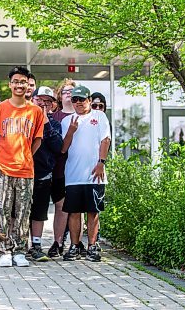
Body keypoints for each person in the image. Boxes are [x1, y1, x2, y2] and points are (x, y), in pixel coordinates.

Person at [0, 66, 45, 267]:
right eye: (15, 81)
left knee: (23, 212)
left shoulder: (35, 111)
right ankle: (4, 250)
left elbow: (37, 139)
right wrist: (1, 159)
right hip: (3, 168)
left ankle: (20, 250)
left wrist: (26, 156)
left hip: (25, 169)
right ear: (9, 84)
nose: (19, 85)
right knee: (2, 209)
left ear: (28, 85)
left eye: (23, 82)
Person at [61, 85, 111, 262]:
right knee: (74, 213)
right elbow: (63, 148)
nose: (78, 103)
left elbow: (106, 139)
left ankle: (92, 246)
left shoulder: (99, 116)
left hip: (94, 173)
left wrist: (101, 163)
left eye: (81, 99)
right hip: (73, 175)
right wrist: (71, 131)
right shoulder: (67, 121)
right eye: (74, 99)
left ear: (89, 100)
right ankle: (75, 246)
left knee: (93, 211)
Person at [28, 86, 63, 262]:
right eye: (39, 100)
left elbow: (58, 147)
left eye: (48, 102)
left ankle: (36, 245)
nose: (43, 104)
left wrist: (46, 122)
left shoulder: (54, 124)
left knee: (39, 212)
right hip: (21, 173)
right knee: (17, 212)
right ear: (32, 100)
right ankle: (16, 244)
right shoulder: (24, 118)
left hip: (43, 174)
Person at [47, 78, 76, 258]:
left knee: (75, 209)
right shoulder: (55, 117)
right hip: (58, 168)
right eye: (66, 92)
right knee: (60, 206)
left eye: (73, 92)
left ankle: (75, 243)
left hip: (77, 168)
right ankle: (57, 242)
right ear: (60, 96)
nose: (70, 95)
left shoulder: (82, 116)